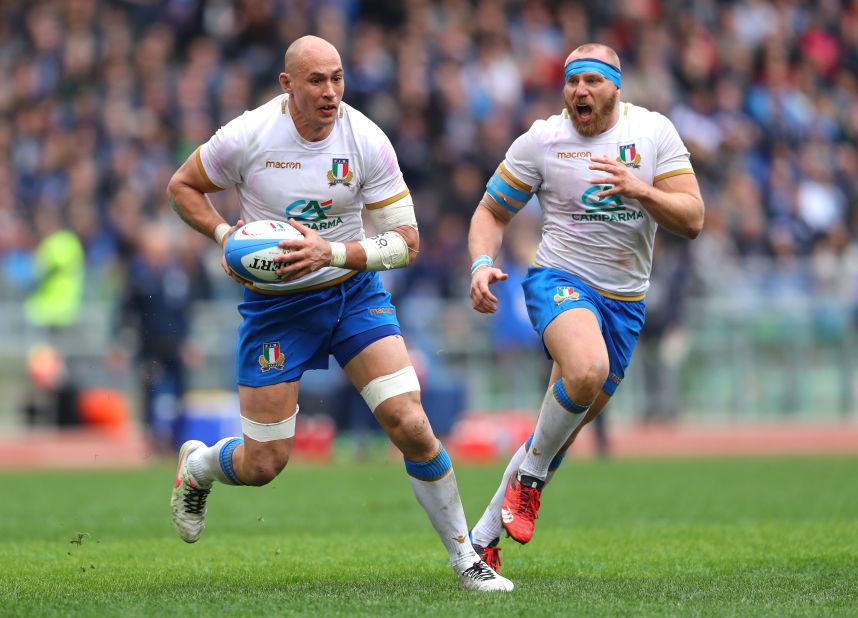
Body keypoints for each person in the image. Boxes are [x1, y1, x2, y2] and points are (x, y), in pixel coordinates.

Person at [166, 35, 512, 592]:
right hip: (276, 308)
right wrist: (227, 235)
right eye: (315, 81)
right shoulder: (248, 135)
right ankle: (200, 467)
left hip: (354, 293)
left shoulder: (366, 139)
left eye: (337, 78)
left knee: (412, 424)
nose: (330, 92)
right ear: (287, 86)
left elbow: (407, 242)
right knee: (264, 464)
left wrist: (330, 253)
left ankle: (466, 559)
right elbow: (182, 186)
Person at [467, 43, 704, 572]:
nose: (580, 91)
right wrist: (481, 261)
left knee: (554, 435)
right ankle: (529, 482)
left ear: (616, 87)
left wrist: (641, 190)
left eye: (593, 81)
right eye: (573, 81)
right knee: (587, 370)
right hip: (559, 279)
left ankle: (480, 542)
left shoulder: (652, 133)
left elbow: (692, 218)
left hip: (624, 302)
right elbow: (490, 211)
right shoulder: (543, 139)